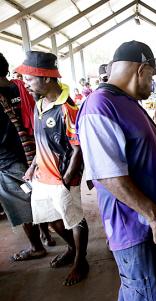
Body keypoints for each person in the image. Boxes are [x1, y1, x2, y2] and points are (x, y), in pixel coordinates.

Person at [77, 40, 156, 301]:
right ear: (141, 69)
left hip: (147, 222)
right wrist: (155, 215)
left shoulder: (126, 103)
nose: (152, 82)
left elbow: (133, 152)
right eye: (151, 75)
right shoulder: (100, 106)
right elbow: (110, 175)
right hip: (135, 226)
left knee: (137, 294)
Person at [17, 51, 89, 286]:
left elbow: (78, 149)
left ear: (46, 78)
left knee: (74, 219)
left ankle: (81, 260)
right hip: (42, 176)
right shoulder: (39, 105)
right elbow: (41, 143)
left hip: (62, 177)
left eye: (29, 78)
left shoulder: (67, 109)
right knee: (51, 220)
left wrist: (67, 178)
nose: (25, 84)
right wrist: (32, 167)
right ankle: (71, 248)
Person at [0, 52, 52, 261]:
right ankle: (46, 233)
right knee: (37, 197)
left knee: (20, 204)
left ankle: (36, 246)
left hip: (8, 161)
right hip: (32, 153)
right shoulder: (21, 88)